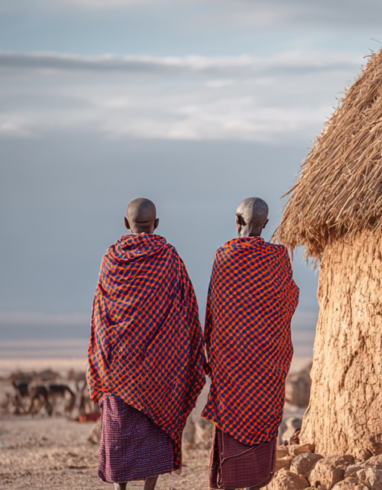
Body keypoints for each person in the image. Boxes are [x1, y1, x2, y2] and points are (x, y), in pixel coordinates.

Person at [88, 198, 206, 490]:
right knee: (156, 427)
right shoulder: (168, 258)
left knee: (120, 432)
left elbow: (100, 318)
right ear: (156, 224)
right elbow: (187, 311)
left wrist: (101, 360)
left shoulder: (111, 260)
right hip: (160, 369)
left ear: (126, 224)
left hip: (117, 369)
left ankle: (120, 488)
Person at [203, 197, 299, 490]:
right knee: (262, 415)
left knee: (232, 417)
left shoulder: (224, 257)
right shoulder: (278, 258)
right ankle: (257, 484)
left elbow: (213, 310)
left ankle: (230, 481)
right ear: (266, 224)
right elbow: (290, 299)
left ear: (237, 221)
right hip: (266, 364)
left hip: (230, 365)